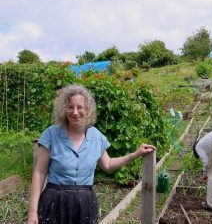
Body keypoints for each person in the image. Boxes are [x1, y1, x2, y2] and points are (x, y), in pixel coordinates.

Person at [26, 84, 156, 224]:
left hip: (85, 203)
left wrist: (134, 155)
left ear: (88, 110)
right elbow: (39, 173)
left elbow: (107, 164)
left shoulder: (96, 136)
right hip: (54, 201)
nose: (75, 112)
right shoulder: (51, 134)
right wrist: (32, 212)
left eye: (79, 107)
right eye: (70, 107)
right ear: (64, 110)